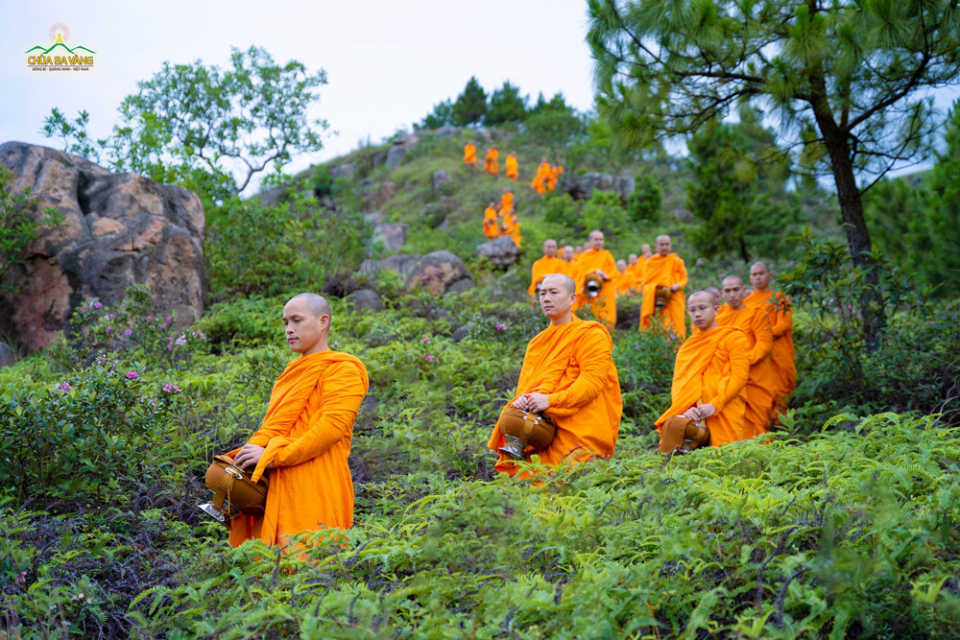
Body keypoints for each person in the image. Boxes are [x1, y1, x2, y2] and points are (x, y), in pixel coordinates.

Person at [225, 293, 368, 547]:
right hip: (275, 484)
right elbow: (274, 427)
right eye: (285, 323)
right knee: (267, 573)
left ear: (323, 322)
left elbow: (330, 429)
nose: (289, 330)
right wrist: (242, 460)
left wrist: (271, 456)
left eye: (296, 320)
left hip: (316, 486)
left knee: (312, 570)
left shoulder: (342, 369)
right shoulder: (290, 373)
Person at [487, 274, 622, 476]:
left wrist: (550, 400)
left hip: (580, 431)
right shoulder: (537, 343)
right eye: (542, 293)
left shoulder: (592, 335)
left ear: (572, 299)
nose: (546, 298)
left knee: (567, 486)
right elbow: (528, 387)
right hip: (540, 431)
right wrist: (522, 400)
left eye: (553, 292)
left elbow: (592, 384)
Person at [655, 291, 751, 447]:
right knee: (677, 434)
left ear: (716, 309)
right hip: (694, 414)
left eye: (702, 308)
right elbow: (680, 385)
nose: (697, 314)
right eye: (692, 310)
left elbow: (739, 377)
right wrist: (687, 409)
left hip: (724, 407)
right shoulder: (688, 346)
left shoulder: (734, 337)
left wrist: (714, 405)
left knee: (727, 457)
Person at [717, 276, 776, 439]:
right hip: (726, 377)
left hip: (754, 375)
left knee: (757, 421)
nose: (732, 294)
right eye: (727, 291)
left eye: (736, 290)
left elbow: (764, 344)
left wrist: (742, 363)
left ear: (744, 291)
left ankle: (761, 455)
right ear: (722, 293)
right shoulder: (717, 315)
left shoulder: (757, 314)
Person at [745, 262, 796, 415]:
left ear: (770, 275)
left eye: (761, 273)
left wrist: (763, 335)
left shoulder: (779, 299)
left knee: (780, 388)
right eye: (754, 275)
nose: (758, 277)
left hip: (778, 352)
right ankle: (763, 427)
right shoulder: (745, 302)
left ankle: (781, 426)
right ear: (750, 278)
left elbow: (784, 325)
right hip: (758, 354)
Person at [639, 235, 688, 337]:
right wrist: (657, 289)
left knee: (677, 326)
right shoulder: (650, 263)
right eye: (662, 245)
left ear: (670, 246)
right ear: (656, 247)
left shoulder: (676, 260)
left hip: (674, 298)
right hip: (657, 301)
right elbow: (645, 284)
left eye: (667, 244)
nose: (664, 247)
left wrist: (678, 285)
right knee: (659, 326)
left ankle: (677, 350)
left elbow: (684, 278)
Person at [577, 230, 618, 329]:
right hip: (589, 287)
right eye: (596, 239)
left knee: (607, 311)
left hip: (605, 286)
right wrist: (594, 271)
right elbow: (580, 272)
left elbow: (614, 271)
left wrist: (605, 275)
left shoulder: (606, 254)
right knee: (590, 312)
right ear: (590, 241)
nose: (599, 242)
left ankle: (608, 330)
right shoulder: (584, 256)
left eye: (601, 239)